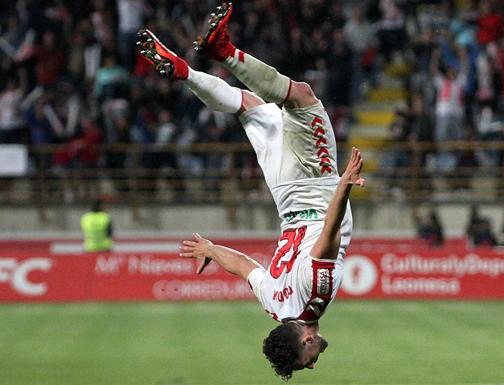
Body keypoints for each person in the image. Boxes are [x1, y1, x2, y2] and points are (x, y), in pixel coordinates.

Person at [136, 3, 362, 379]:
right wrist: (210, 249)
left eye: (311, 360)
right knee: (249, 106)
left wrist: (343, 186)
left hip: (314, 189)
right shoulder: (274, 306)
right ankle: (185, 72)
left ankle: (221, 50)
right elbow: (244, 267)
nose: (317, 358)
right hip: (284, 195)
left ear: (305, 342)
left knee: (302, 96)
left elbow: (329, 238)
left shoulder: (315, 301)